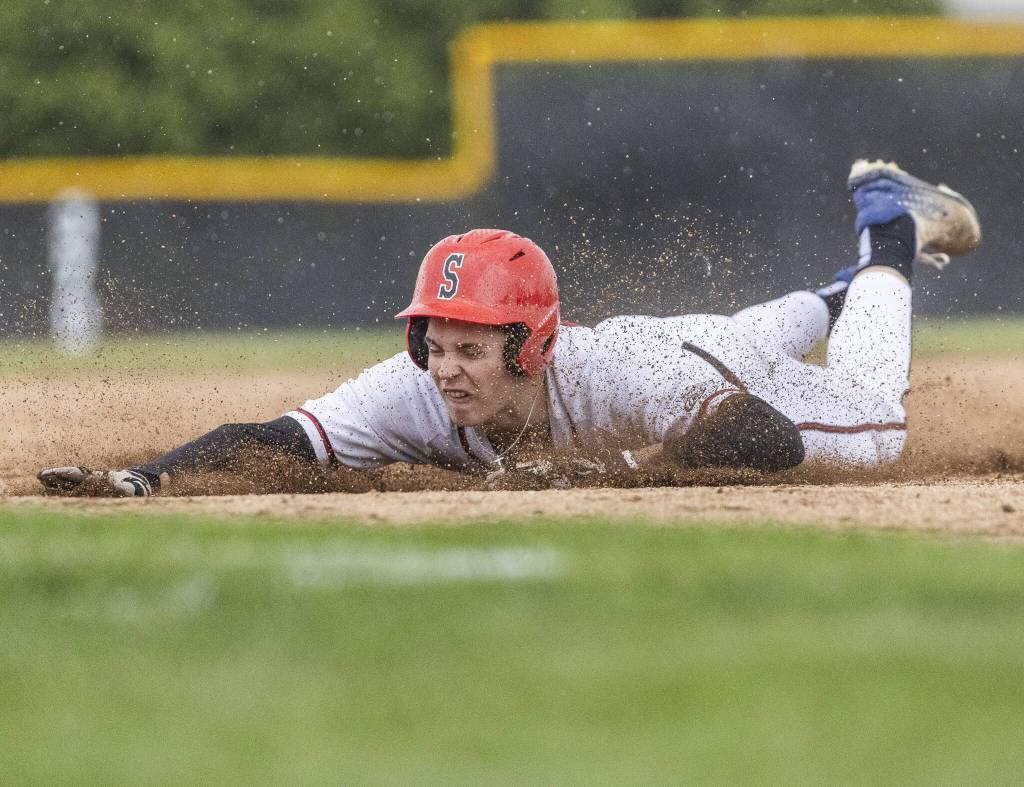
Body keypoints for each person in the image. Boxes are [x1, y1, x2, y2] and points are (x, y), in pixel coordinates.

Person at [38, 159, 980, 497]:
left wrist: (623, 473)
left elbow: (763, 438)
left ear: (531, 346)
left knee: (872, 424)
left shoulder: (616, 375)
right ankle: (839, 284)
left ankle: (886, 234)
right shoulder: (416, 385)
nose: (446, 367)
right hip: (693, 342)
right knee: (746, 326)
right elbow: (277, 439)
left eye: (471, 346)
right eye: (435, 341)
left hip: (687, 366)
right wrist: (145, 478)